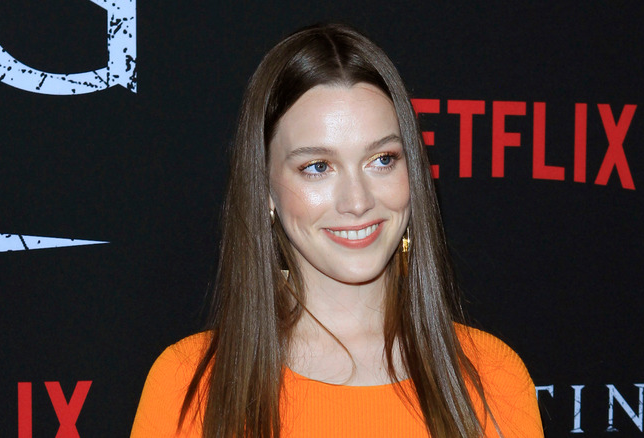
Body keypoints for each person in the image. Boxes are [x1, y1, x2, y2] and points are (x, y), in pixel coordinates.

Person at [130, 23, 543, 438]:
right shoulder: (189, 386)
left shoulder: (493, 378)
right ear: (265, 188)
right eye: (317, 167)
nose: (357, 200)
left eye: (382, 159)